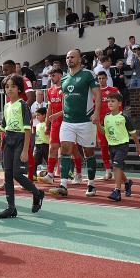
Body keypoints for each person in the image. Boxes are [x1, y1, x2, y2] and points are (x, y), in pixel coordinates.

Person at [0, 75, 44, 219]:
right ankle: (11, 208)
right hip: (8, 140)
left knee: (17, 174)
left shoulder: (23, 105)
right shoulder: (6, 106)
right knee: (8, 175)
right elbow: (3, 127)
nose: (9, 89)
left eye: (13, 86)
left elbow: (27, 128)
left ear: (19, 89)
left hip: (20, 140)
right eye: (7, 87)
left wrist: (25, 150)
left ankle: (37, 193)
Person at [49, 49, 101, 198]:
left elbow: (97, 94)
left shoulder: (88, 74)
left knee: (88, 153)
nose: (69, 59)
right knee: (65, 150)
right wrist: (61, 114)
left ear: (79, 59)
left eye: (72, 57)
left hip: (86, 121)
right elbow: (65, 99)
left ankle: (91, 184)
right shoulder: (64, 78)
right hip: (68, 122)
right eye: (67, 57)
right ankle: (63, 185)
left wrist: (96, 113)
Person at [102, 93, 140, 201]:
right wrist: (97, 124)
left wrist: (138, 146)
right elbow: (104, 131)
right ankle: (127, 182)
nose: (110, 103)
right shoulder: (106, 117)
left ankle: (117, 191)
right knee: (117, 167)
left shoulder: (124, 117)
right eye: (108, 101)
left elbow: (133, 133)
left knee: (116, 166)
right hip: (111, 146)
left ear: (119, 103)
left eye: (113, 101)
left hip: (122, 145)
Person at [39, 68, 64, 185]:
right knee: (52, 148)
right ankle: (50, 174)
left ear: (60, 75)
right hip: (55, 124)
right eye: (50, 76)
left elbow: (68, 108)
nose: (51, 78)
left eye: (53, 75)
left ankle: (77, 173)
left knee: (70, 150)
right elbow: (49, 108)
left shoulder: (66, 88)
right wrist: (47, 125)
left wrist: (58, 115)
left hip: (67, 123)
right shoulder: (50, 90)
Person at [94, 70, 117, 180]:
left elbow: (119, 106)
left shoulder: (113, 90)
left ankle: (116, 168)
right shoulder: (94, 92)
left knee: (114, 147)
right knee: (103, 147)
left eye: (103, 78)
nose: (101, 80)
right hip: (100, 124)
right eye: (99, 78)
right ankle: (108, 170)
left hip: (112, 124)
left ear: (106, 78)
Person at [33, 107, 49, 180]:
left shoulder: (47, 124)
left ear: (44, 115)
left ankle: (49, 175)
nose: (37, 117)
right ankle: (34, 175)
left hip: (45, 145)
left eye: (38, 115)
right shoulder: (37, 125)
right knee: (34, 160)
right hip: (37, 145)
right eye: (36, 115)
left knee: (48, 160)